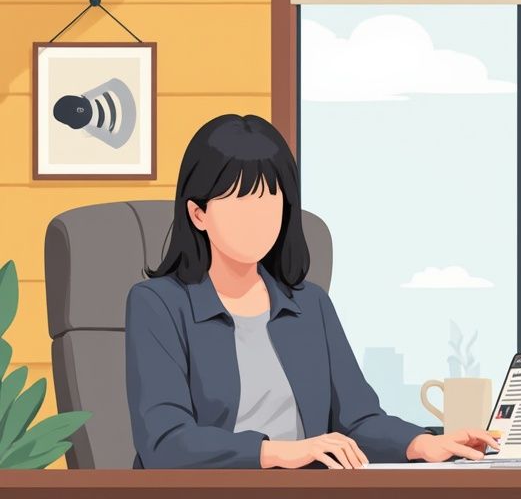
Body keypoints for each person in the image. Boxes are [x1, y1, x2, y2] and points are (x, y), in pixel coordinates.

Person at [125, 114, 499, 469]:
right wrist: (278, 452)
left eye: (270, 201)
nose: (259, 218)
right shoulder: (158, 304)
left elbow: (358, 420)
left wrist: (421, 443)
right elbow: (165, 441)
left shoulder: (309, 304)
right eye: (240, 200)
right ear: (198, 214)